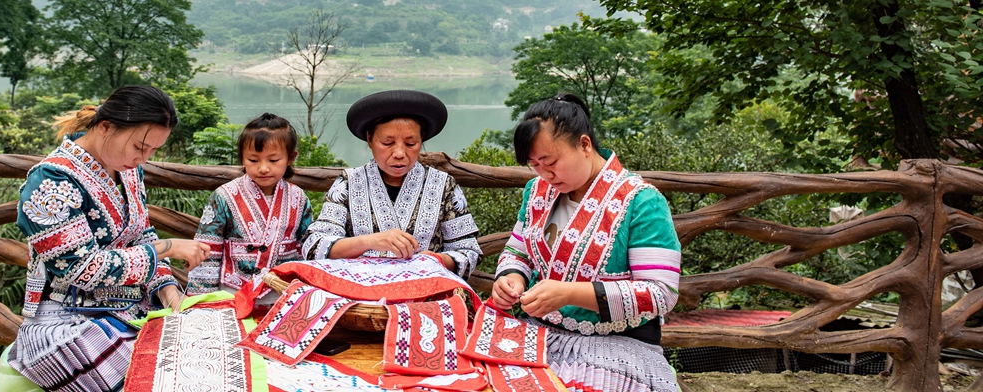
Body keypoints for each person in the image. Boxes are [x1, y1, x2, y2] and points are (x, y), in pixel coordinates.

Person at [7, 85, 211, 392]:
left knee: (198, 356)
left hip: (127, 309)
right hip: (65, 322)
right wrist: (167, 247)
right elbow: (80, 268)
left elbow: (141, 234)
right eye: (140, 147)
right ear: (105, 127)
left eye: (153, 151)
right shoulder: (51, 181)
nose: (142, 159)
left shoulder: (127, 171)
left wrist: (170, 294)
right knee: (156, 377)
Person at [491, 94, 681, 392]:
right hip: (541, 333)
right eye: (535, 165)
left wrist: (570, 293)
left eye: (551, 162)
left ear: (584, 145)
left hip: (617, 345)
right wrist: (511, 278)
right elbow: (519, 250)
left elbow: (661, 294)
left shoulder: (641, 202)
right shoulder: (537, 192)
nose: (544, 174)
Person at [303, 89, 482, 279]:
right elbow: (314, 244)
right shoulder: (348, 183)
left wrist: (437, 260)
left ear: (421, 141)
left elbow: (468, 251)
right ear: (369, 139)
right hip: (359, 296)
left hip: (424, 293)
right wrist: (370, 241)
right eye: (388, 143)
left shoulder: (443, 185)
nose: (399, 153)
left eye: (410, 144)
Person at [187, 113, 314, 302]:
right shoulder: (224, 196)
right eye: (253, 160)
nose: (263, 168)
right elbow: (208, 247)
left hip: (282, 293)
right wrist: (202, 297)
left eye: (273, 160)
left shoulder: (299, 198)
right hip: (231, 292)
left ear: (290, 157)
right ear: (242, 158)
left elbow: (307, 246)